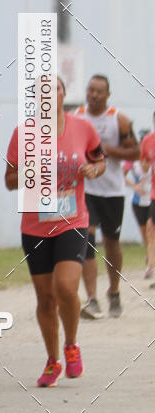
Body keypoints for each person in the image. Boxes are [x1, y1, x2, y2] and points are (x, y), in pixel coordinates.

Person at [5, 77, 105, 386]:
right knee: (46, 298)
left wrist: (94, 169)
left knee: (65, 286)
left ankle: (71, 345)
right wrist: (27, 171)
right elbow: (9, 180)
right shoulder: (23, 133)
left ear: (63, 94)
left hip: (72, 221)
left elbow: (99, 159)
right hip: (35, 227)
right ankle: (53, 360)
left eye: (55, 89)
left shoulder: (83, 128)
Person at [75, 75, 140, 318]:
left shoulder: (118, 119)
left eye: (99, 91)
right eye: (90, 90)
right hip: (86, 188)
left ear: (108, 94)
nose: (93, 95)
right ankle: (91, 298)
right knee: (86, 239)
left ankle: (113, 291)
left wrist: (105, 150)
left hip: (112, 191)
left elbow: (135, 152)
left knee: (111, 242)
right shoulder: (77, 117)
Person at [123, 129, 151, 276]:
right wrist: (134, 186)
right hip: (138, 202)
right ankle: (149, 259)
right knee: (145, 234)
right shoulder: (132, 160)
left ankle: (150, 263)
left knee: (150, 230)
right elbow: (121, 175)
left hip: (152, 200)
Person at [139, 117, 155, 284]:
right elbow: (144, 164)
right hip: (154, 194)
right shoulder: (148, 141)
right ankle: (151, 265)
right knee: (150, 229)